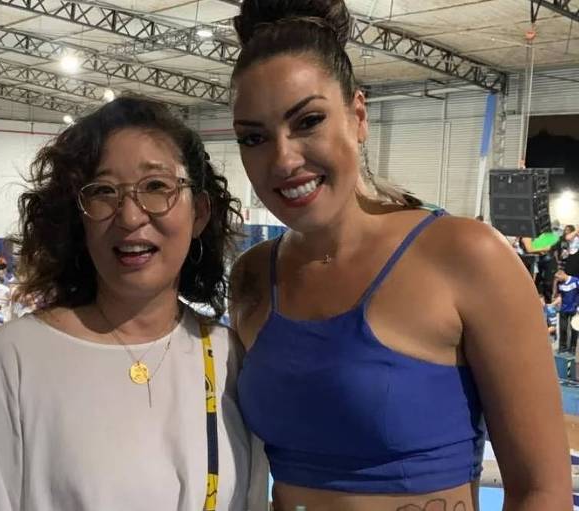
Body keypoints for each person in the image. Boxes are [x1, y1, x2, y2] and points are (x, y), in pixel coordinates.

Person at [227, 1, 571, 510]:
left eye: (308, 121)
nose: (282, 159)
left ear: (358, 116)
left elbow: (543, 492)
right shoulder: (253, 277)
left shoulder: (465, 256)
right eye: (253, 137)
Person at [0, 96, 266, 511]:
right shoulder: (16, 359)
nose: (129, 216)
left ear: (198, 212)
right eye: (104, 191)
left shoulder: (230, 356)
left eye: (157, 187)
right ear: (79, 217)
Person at [552, 270, 579, 354]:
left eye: (558, 278)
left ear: (562, 275)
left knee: (574, 328)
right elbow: (556, 295)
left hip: (574, 308)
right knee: (563, 328)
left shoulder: (575, 281)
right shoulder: (560, 284)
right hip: (564, 309)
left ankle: (573, 347)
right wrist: (555, 284)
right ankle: (562, 347)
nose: (558, 280)